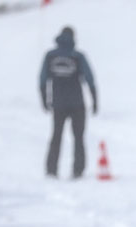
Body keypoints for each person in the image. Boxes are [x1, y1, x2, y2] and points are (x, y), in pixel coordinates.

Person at [39, 26, 98, 179]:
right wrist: (94, 99)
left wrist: (45, 99)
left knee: (56, 136)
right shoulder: (77, 56)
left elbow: (43, 79)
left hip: (58, 104)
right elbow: (89, 78)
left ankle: (51, 170)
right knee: (78, 137)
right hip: (77, 104)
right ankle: (78, 170)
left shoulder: (50, 56)